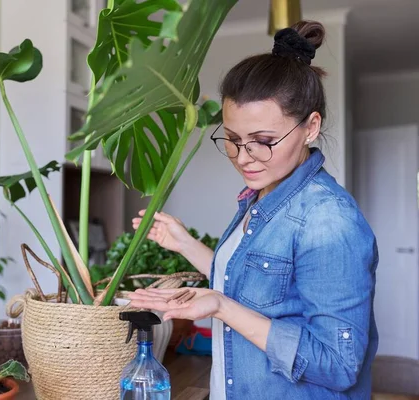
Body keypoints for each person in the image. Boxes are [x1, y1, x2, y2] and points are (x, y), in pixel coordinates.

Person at [128, 20, 379, 400]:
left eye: (262, 141)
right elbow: (257, 286)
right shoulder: (262, 195)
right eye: (232, 139)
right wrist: (186, 245)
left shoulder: (327, 220)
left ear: (311, 127)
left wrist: (223, 309)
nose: (244, 157)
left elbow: (338, 364)